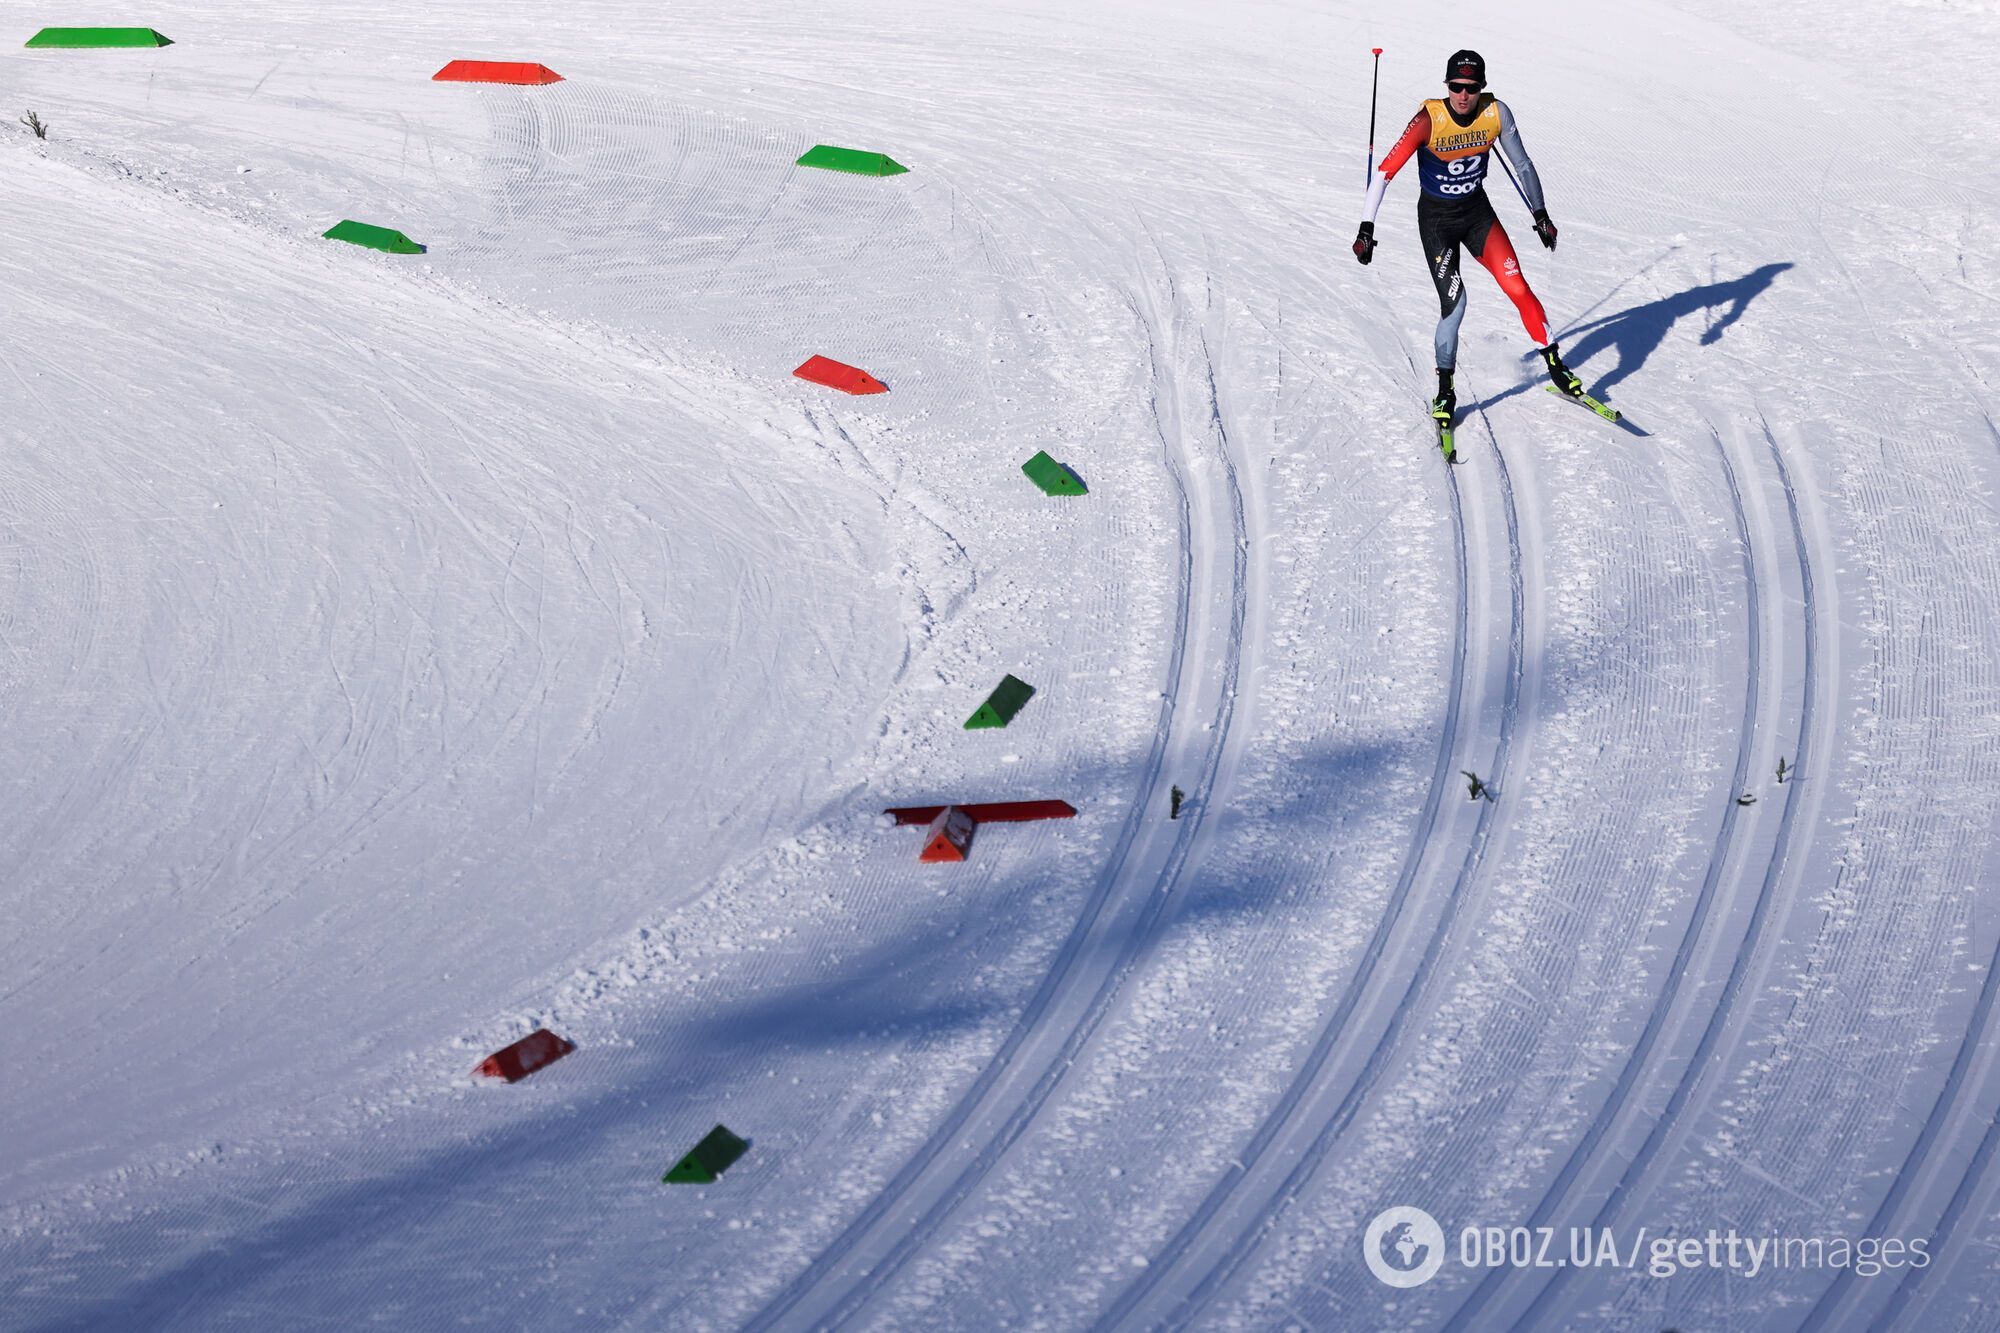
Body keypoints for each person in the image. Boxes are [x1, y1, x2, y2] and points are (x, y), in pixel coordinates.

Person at [1351, 49, 1582, 424]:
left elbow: (1522, 164)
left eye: (1471, 88)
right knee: (1456, 305)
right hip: (1437, 221)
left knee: (1517, 286)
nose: (1463, 95)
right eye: (1456, 87)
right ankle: (1445, 391)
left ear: (1481, 88)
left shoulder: (1496, 114)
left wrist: (1540, 214)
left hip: (1477, 215)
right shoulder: (1429, 119)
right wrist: (1366, 228)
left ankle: (1555, 365)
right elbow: (1383, 173)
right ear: (1447, 86)